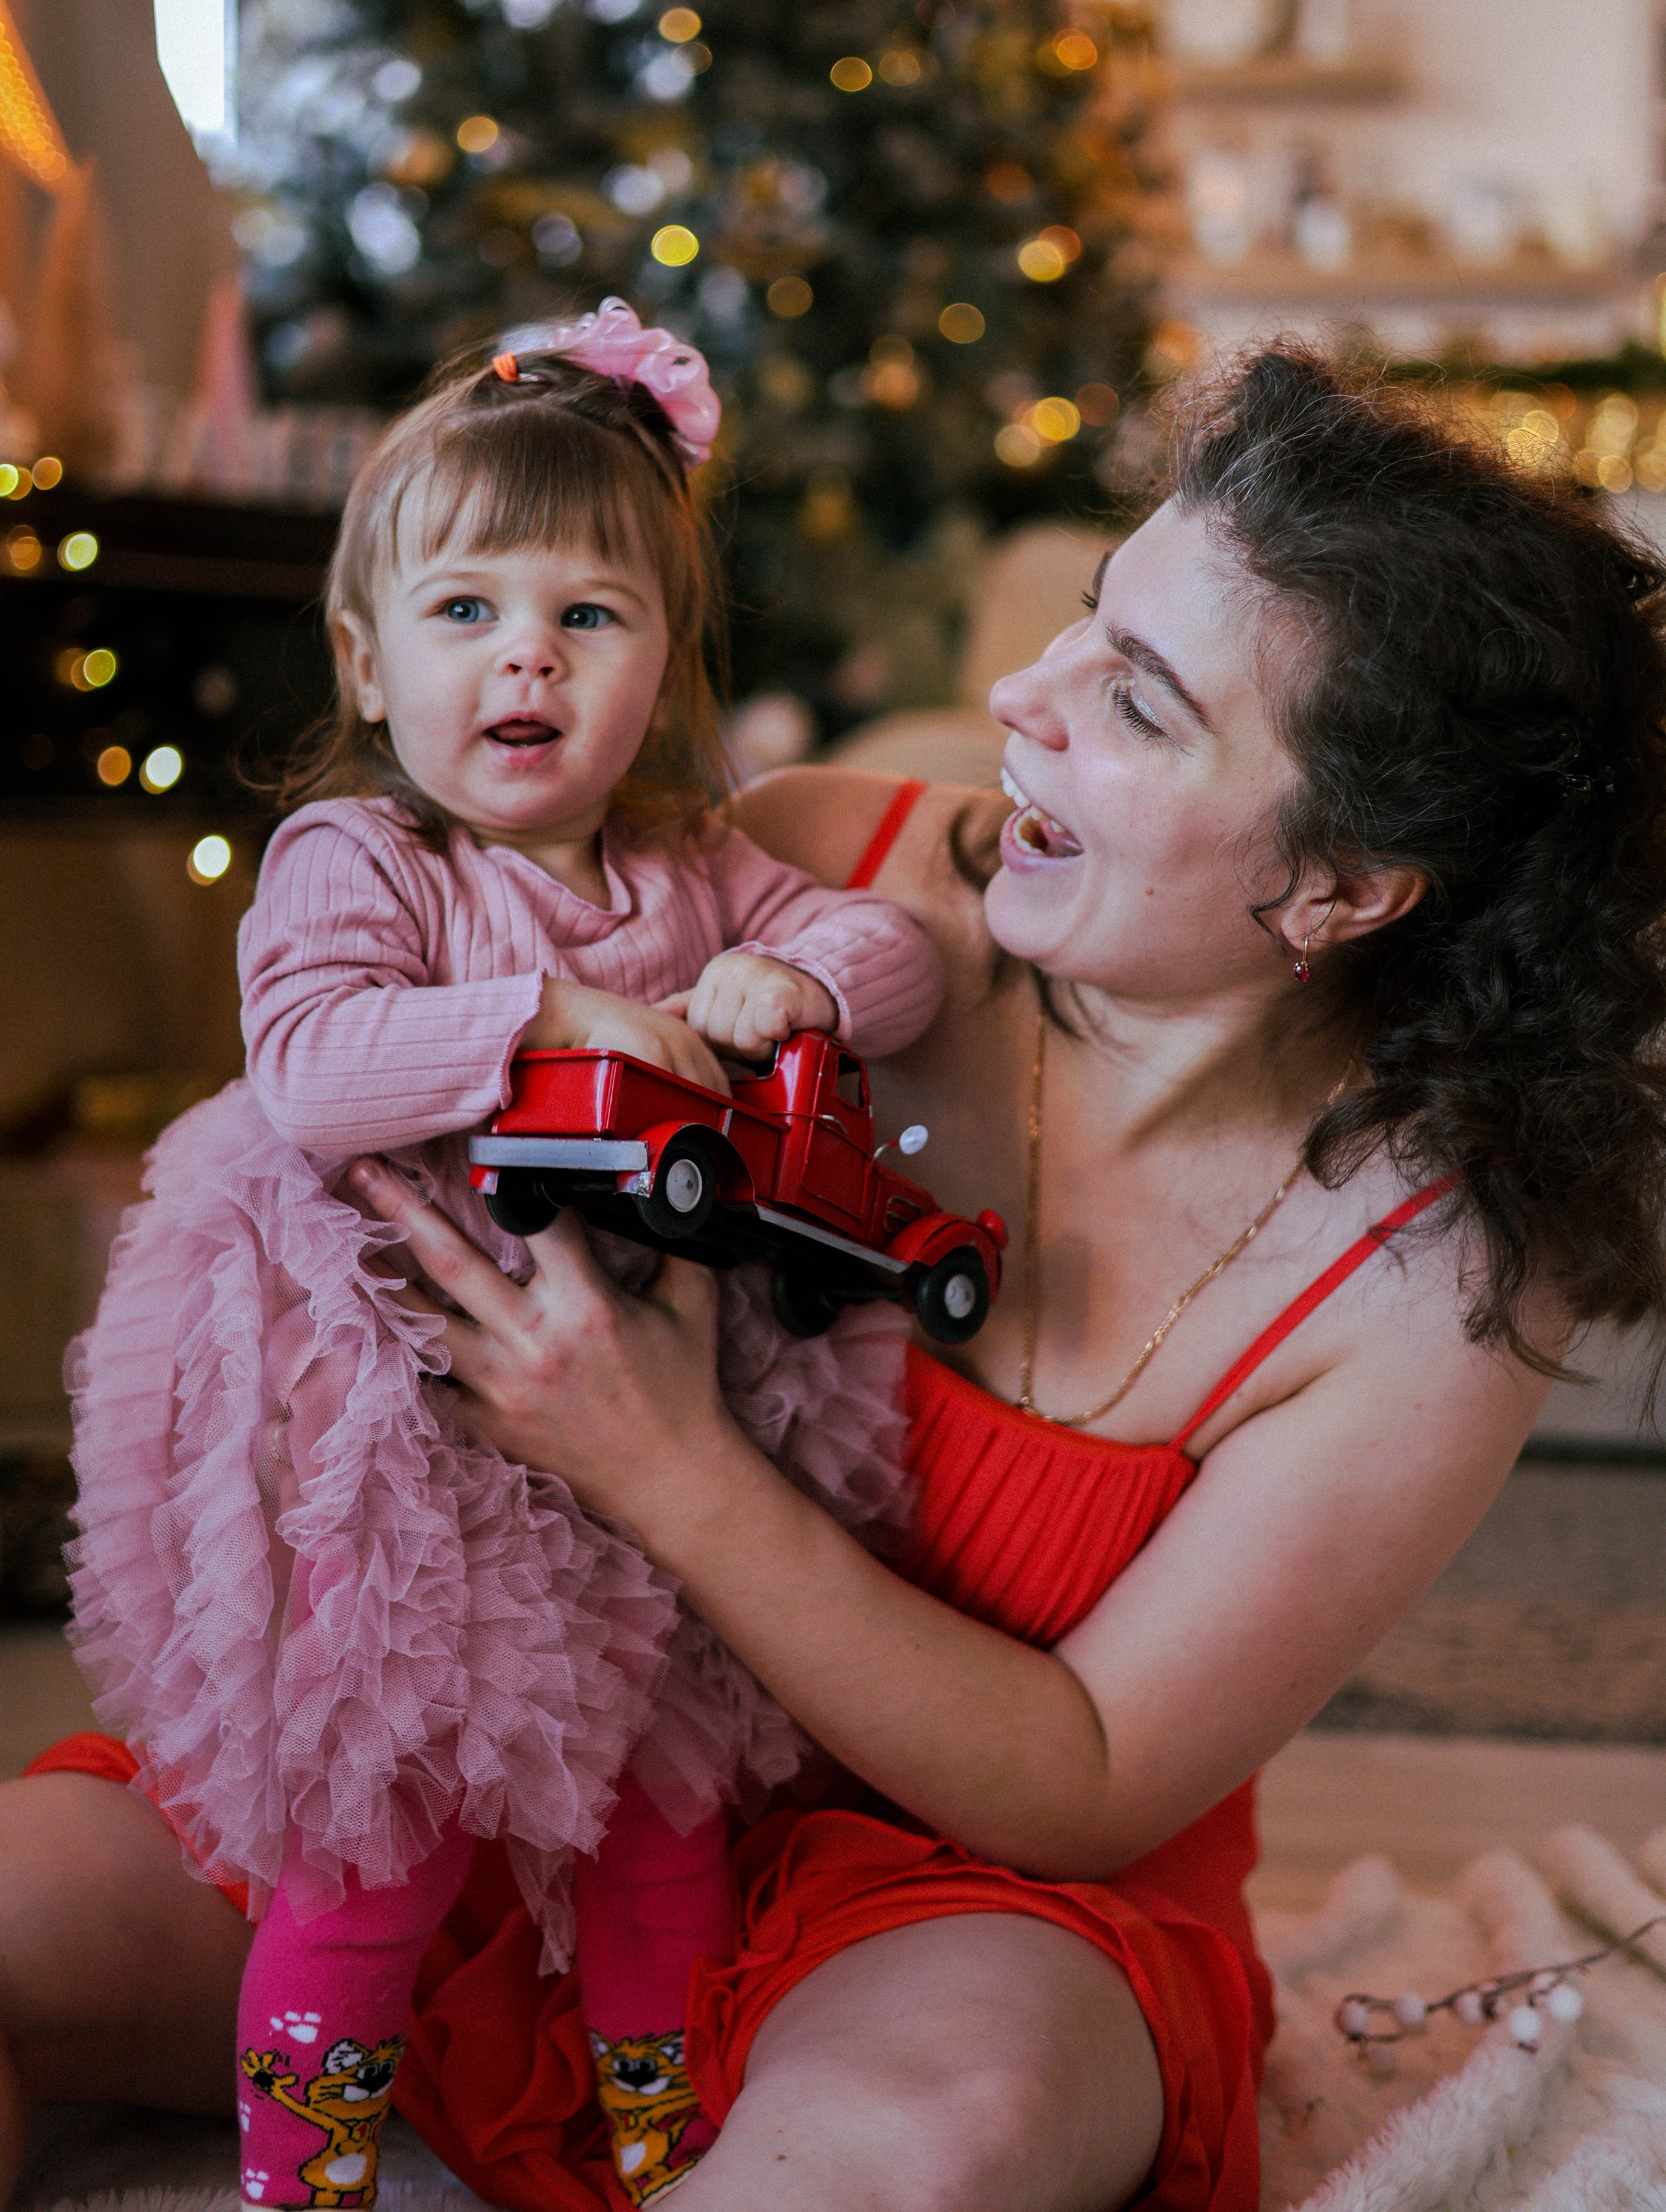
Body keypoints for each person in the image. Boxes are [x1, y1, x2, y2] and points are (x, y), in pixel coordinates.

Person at [7, 345, 1666, 2212]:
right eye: (1083, 629)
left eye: (1136, 701)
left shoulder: (1426, 1283)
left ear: (1345, 886)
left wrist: (664, 1465)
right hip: (534, 1749)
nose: (1017, 700)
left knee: (912, 2148)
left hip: (969, 1907)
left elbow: (1087, 1777)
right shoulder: (801, 866)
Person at [46, 300, 944, 2212]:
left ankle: (658, 2147)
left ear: (660, 670)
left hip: (652, 1466)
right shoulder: (365, 867)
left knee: (660, 1817)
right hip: (413, 1469)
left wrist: (802, 975)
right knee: (378, 1847)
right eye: (465, 613)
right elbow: (307, 1066)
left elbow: (904, 954)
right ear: (368, 668)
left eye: (587, 618)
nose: (526, 654)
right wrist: (555, 1014)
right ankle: (310, 2170)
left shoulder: (698, 871)